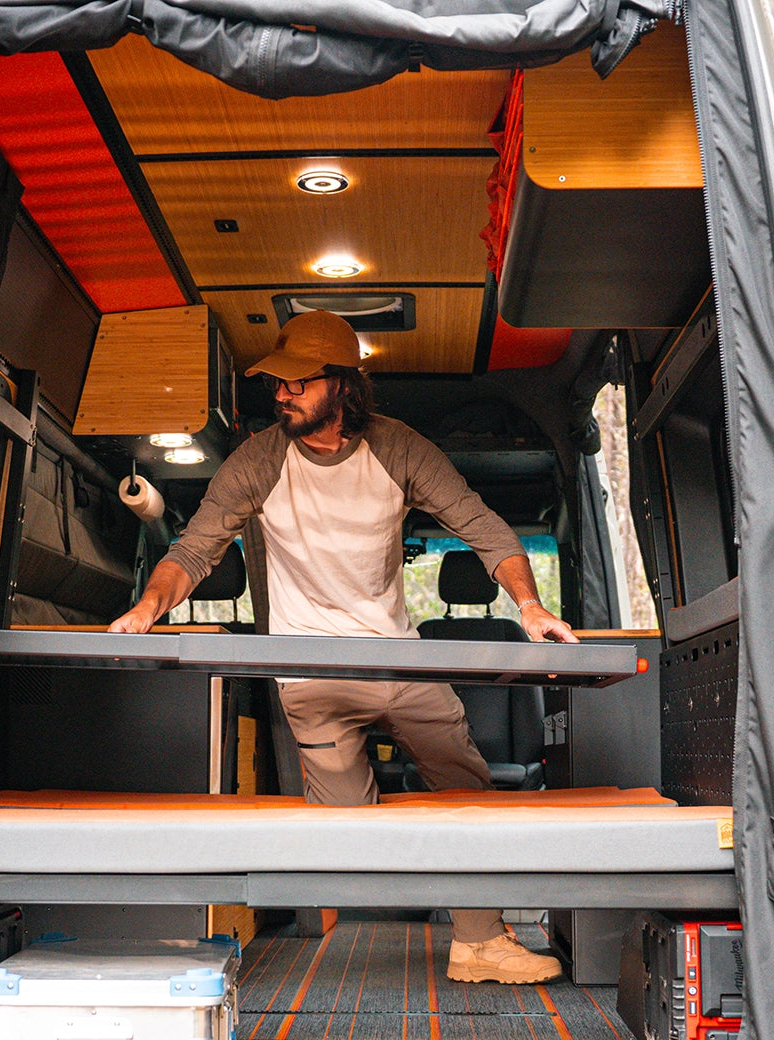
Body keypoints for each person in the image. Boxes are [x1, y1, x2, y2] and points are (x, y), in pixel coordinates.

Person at [109, 309, 578, 984]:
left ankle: (478, 942)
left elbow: (483, 527)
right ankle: (386, 921)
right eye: (278, 384)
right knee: (350, 841)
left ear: (342, 386)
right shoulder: (260, 460)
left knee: (470, 789)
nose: (281, 394)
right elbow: (195, 548)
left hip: (396, 658)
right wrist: (148, 606)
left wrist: (530, 608)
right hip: (310, 677)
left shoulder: (399, 449)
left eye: (296, 383)